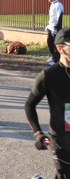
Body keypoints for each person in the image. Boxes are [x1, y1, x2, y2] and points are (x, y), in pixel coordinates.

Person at [25, 27, 70, 178]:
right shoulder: (48, 76)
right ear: (60, 48)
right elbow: (30, 105)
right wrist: (38, 133)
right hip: (60, 141)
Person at [45, 0, 64, 66]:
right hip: (51, 27)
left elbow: (59, 17)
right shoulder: (52, 4)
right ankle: (53, 57)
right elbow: (52, 17)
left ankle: (57, 60)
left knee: (56, 45)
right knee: (49, 42)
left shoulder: (58, 5)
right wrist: (49, 26)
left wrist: (56, 28)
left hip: (55, 28)